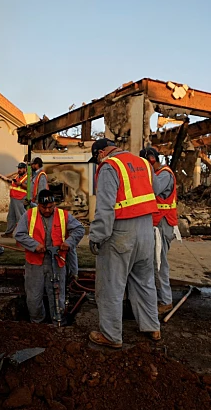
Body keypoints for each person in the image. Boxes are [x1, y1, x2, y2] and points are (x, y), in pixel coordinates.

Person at [87, 139, 160, 348]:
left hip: (121, 233)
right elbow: (154, 189)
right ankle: (152, 327)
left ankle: (111, 336)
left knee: (111, 285)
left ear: (101, 152)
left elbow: (105, 208)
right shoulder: (143, 163)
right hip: (146, 230)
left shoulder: (110, 166)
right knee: (145, 282)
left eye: (97, 157)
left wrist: (97, 236)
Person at [14, 189, 85, 324]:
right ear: (38, 204)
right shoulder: (29, 215)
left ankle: (58, 324)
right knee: (34, 298)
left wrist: (68, 243)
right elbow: (19, 234)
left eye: (50, 207)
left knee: (58, 297)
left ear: (54, 204)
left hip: (57, 262)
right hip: (35, 264)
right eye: (43, 207)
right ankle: (37, 323)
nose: (47, 210)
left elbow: (79, 229)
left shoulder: (63, 215)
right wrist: (34, 245)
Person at [140, 147, 179, 315]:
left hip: (163, 224)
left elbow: (153, 190)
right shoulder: (157, 174)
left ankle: (165, 300)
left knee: (159, 263)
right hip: (156, 223)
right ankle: (158, 297)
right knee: (153, 262)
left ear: (152, 159)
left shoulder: (164, 174)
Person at [4, 162, 28, 237]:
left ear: (25, 169)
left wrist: (20, 184)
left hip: (20, 199)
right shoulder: (17, 176)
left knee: (20, 217)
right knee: (11, 217)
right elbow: (6, 177)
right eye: (18, 168)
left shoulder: (27, 177)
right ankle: (9, 232)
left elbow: (29, 187)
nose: (19, 170)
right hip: (13, 198)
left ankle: (23, 233)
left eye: (21, 168)